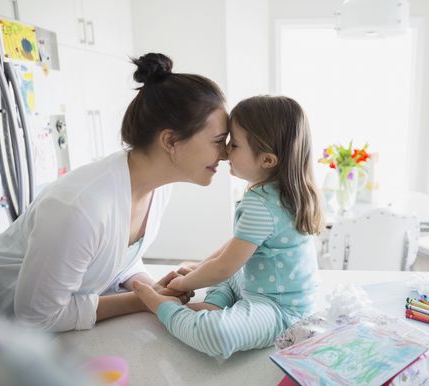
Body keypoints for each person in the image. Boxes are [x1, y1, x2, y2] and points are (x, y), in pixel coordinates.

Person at [0, 53, 228, 332]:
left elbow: (118, 257)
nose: (225, 154)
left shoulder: (156, 187)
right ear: (170, 140)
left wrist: (150, 288)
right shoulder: (79, 208)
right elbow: (36, 318)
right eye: (219, 141)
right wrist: (140, 300)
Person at [132, 95, 323, 359]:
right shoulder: (278, 193)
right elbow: (234, 249)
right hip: (259, 286)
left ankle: (161, 306)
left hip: (281, 310)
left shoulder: (262, 204)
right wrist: (200, 270)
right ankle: (213, 304)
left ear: (267, 160)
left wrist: (180, 285)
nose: (224, 152)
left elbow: (224, 266)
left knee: (218, 334)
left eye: (234, 145)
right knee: (223, 273)